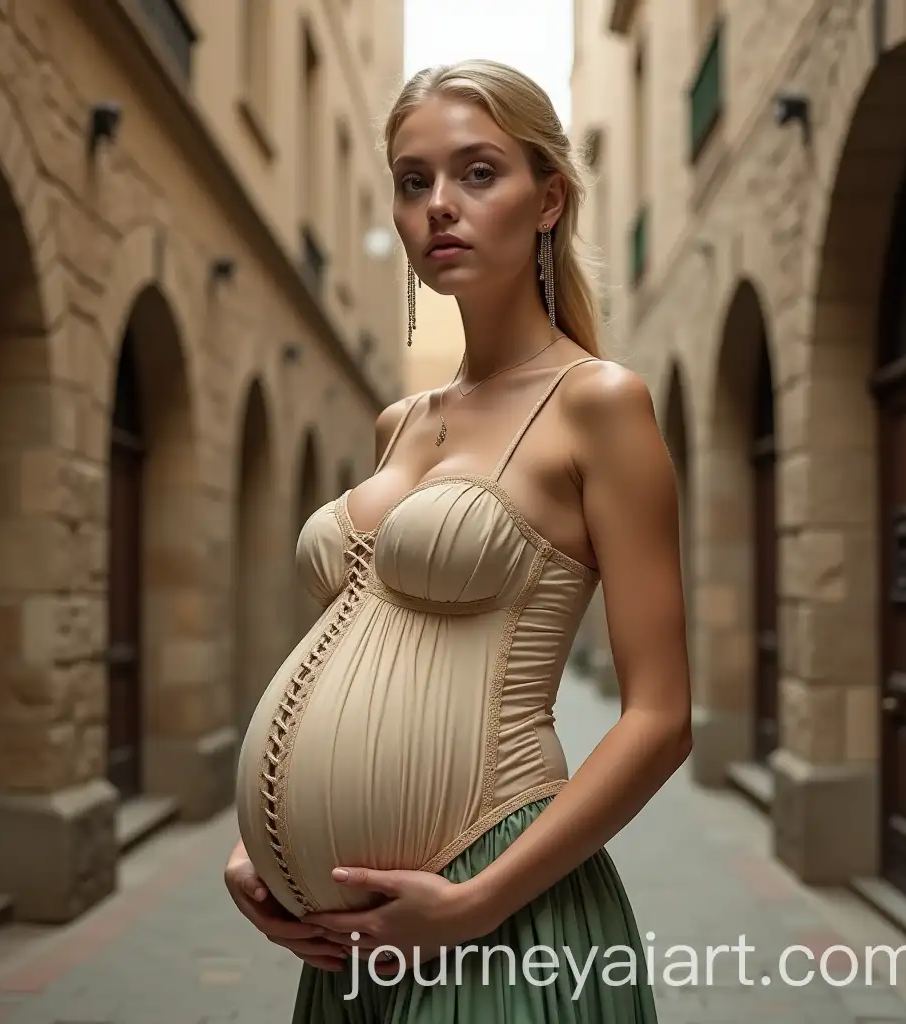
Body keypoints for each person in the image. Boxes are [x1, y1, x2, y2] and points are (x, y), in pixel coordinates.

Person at [223, 58, 691, 1022]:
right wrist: (265, 850)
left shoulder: (599, 403)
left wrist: (474, 904)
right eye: (413, 180)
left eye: (479, 172)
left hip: (496, 903)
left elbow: (660, 719)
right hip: (343, 936)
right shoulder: (400, 422)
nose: (440, 204)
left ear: (549, 197)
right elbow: (357, 651)